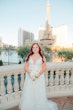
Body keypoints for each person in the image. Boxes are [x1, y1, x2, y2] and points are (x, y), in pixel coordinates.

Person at [19, 42, 58, 110]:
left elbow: (44, 67)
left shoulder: (42, 57)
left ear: (39, 48)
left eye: (36, 47)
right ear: (32, 49)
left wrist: (38, 75)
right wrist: (30, 74)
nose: (35, 48)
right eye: (33, 47)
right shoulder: (29, 56)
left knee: (38, 91)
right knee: (29, 91)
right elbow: (26, 66)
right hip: (29, 76)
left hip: (39, 76)